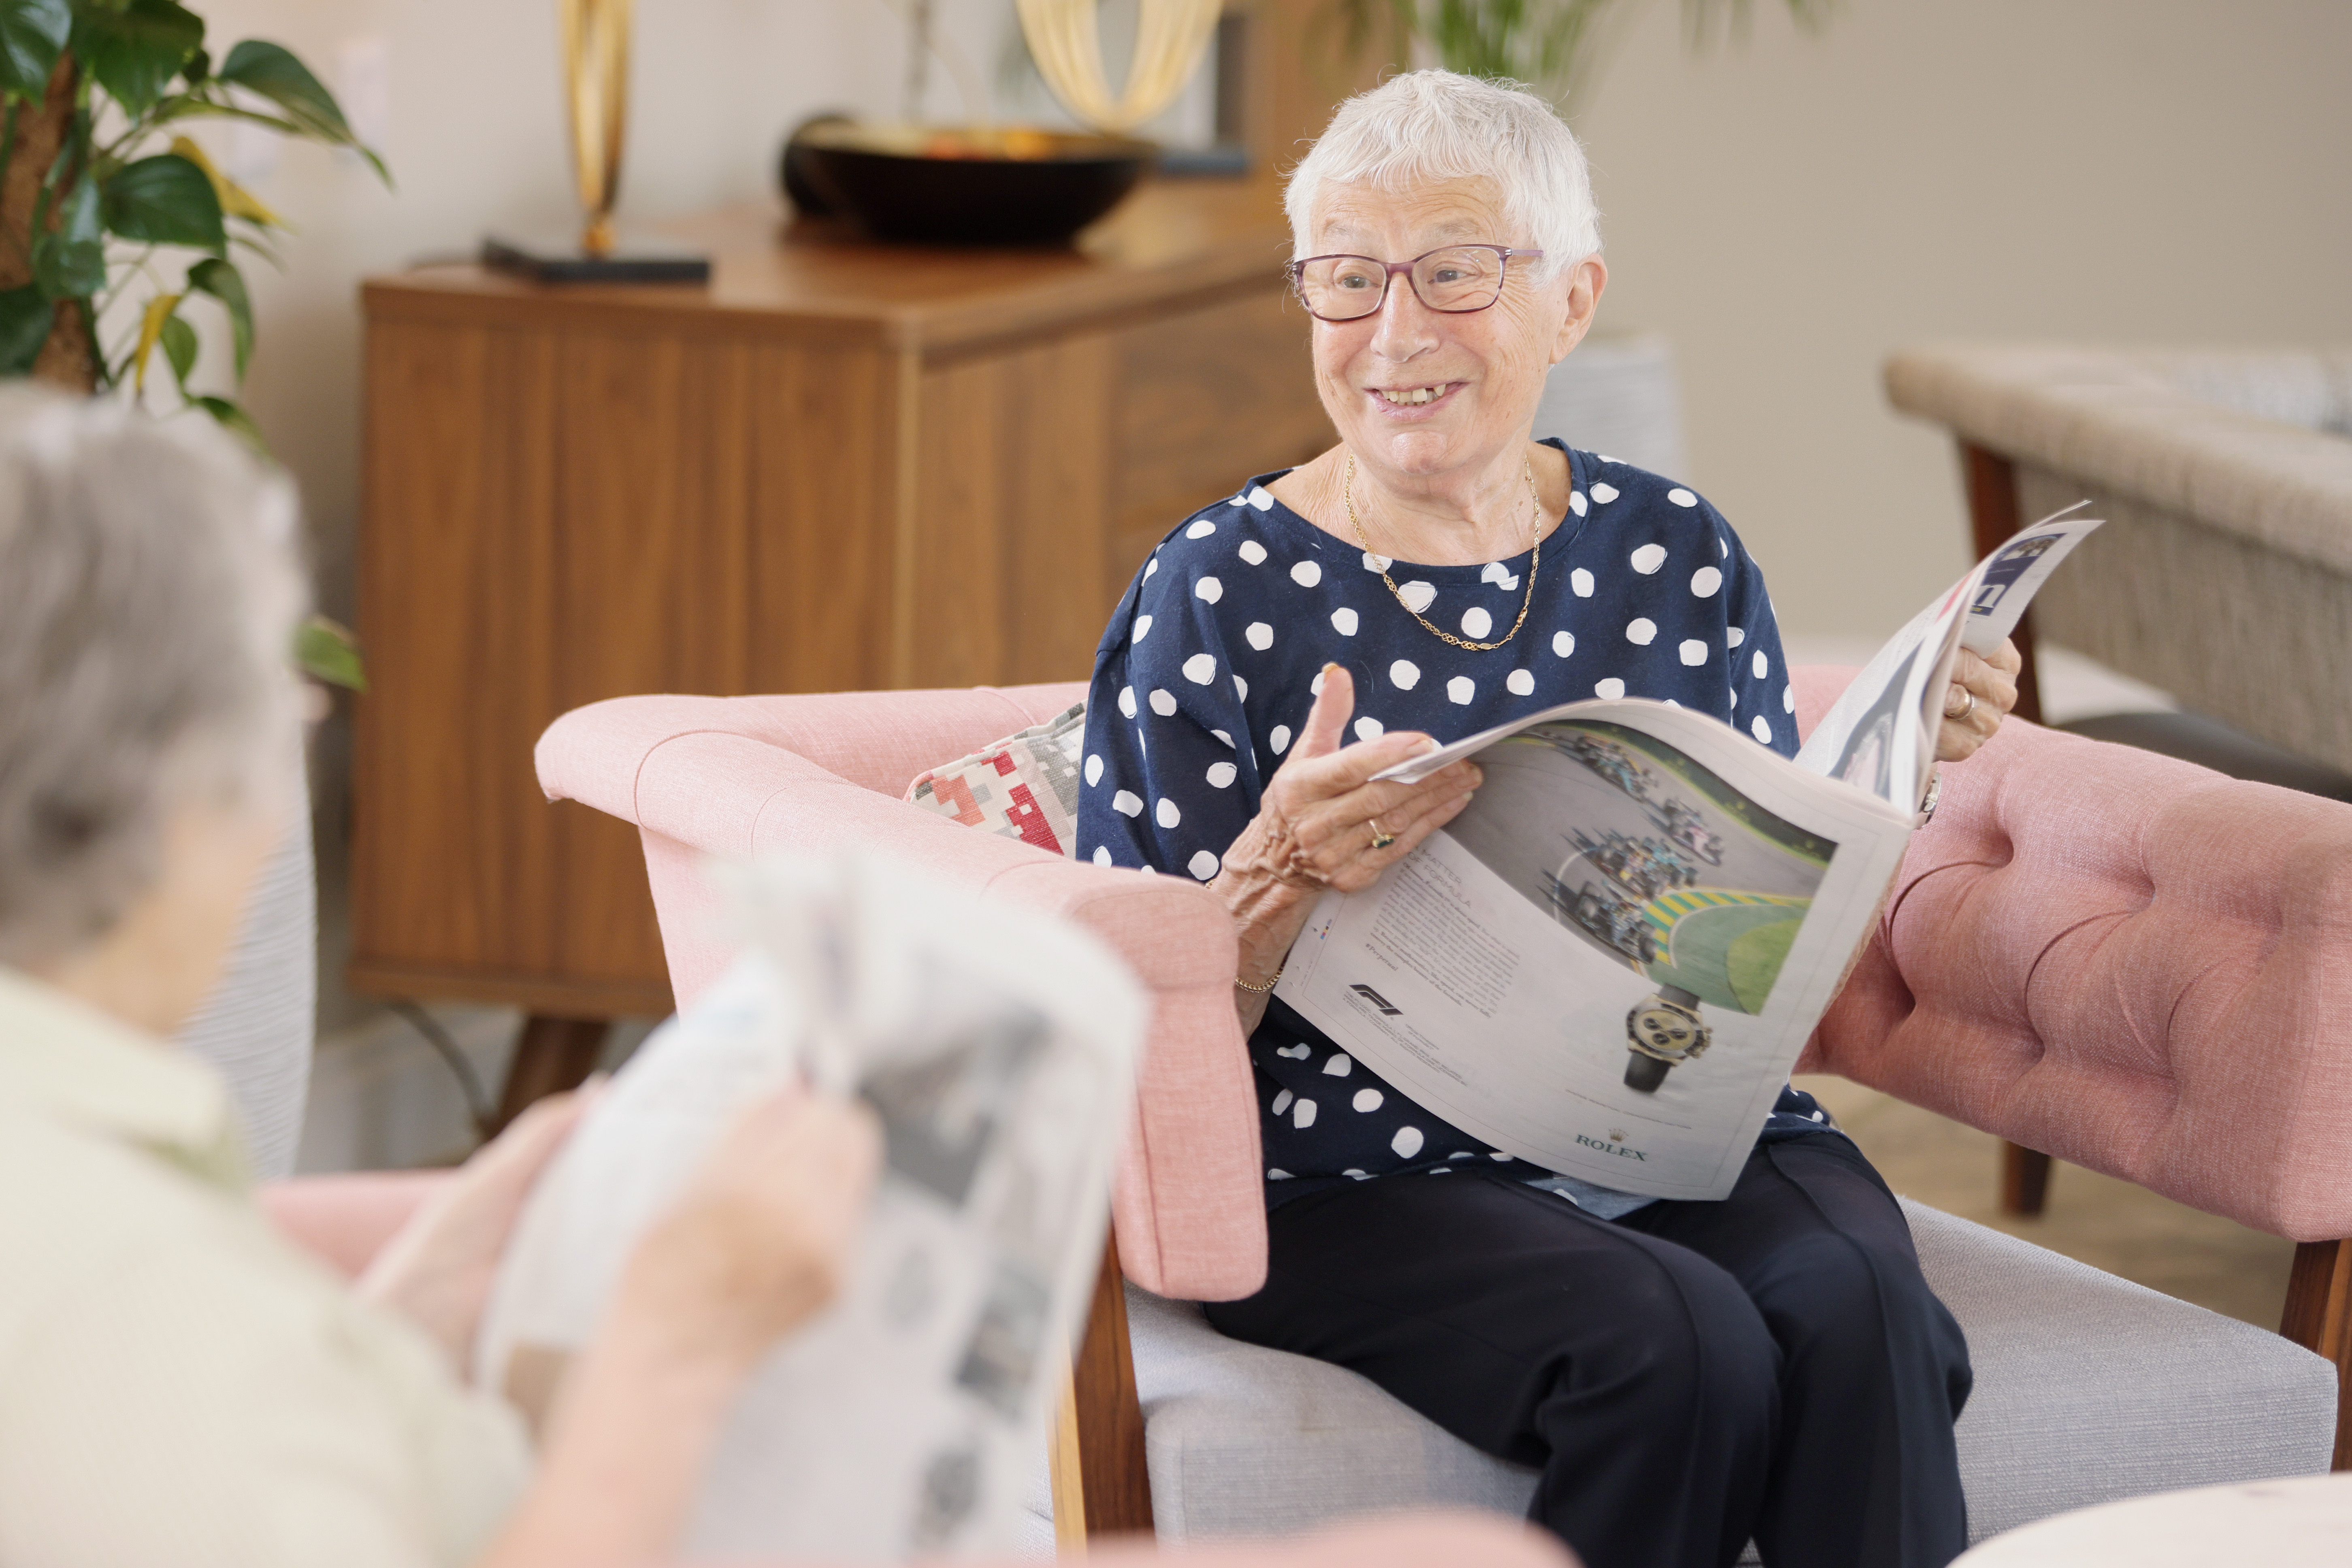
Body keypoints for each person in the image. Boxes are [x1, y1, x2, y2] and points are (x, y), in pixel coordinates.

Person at [1077, 71, 2022, 1568]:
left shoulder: (1677, 552)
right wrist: (1273, 875)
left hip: (1667, 1117)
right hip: (1349, 1166)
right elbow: (1121, 1033)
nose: (1396, 334)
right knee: (1678, 1343)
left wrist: (1896, 766)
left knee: (1864, 1310)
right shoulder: (1218, 590)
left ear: (1572, 302)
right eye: (1347, 279)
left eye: (1455, 273)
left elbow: (1758, 897)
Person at [0, 388, 881, 1568]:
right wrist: (679, 1348)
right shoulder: (132, 1292)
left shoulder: (103, 1222)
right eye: (282, 711)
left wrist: (398, 1324)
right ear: (168, 796)